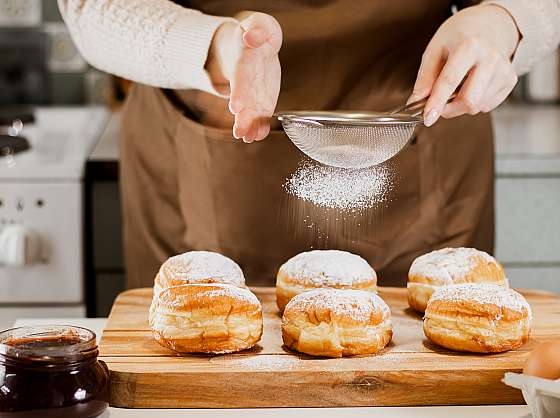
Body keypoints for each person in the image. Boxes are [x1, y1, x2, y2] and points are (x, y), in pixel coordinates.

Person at [59, 0, 560, 288]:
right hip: (206, 127)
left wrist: (502, 21)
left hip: (422, 127)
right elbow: (93, 7)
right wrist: (215, 49)